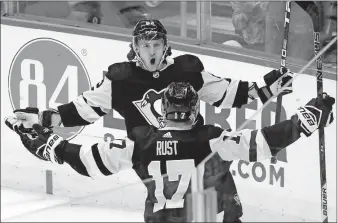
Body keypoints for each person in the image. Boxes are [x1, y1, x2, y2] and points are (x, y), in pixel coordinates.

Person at [11, 19, 294, 223]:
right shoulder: (119, 79)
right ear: (134, 47)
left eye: (157, 44)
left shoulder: (187, 70)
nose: (151, 51)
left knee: (208, 212)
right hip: (158, 163)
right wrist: (42, 118)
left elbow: (226, 93)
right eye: (145, 45)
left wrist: (266, 89)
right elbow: (82, 109)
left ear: (166, 46)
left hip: (194, 162)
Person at [5, 82, 335, 222]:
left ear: (164, 112)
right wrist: (309, 118)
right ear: (193, 111)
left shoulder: (139, 142)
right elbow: (262, 144)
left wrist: (48, 144)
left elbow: (87, 162)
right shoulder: (211, 138)